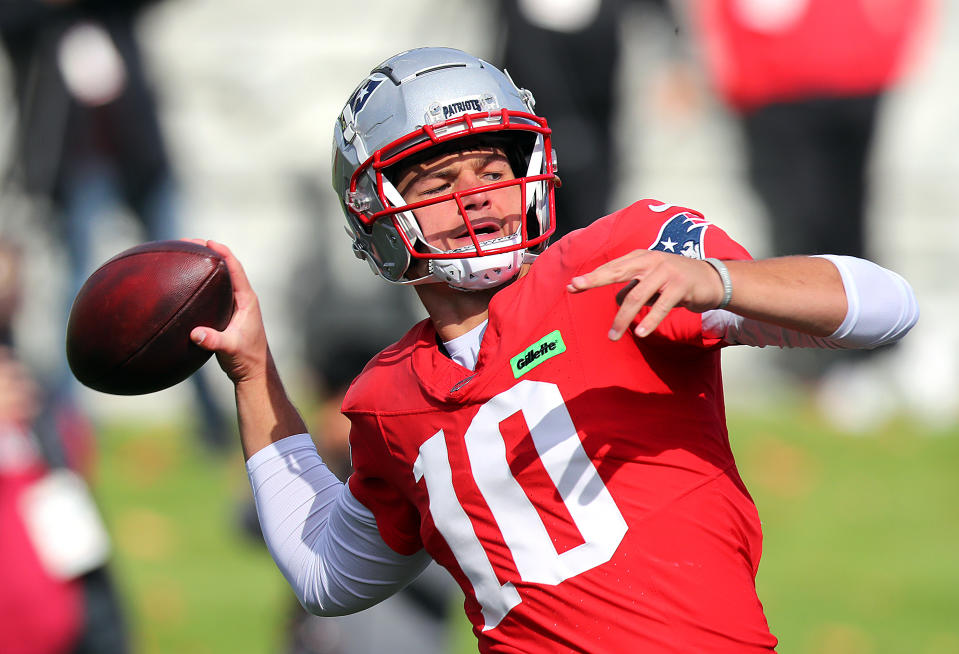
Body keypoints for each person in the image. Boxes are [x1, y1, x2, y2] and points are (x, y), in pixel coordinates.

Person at [189, 48, 918, 652]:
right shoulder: (388, 398)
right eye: (439, 181)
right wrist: (253, 372)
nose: (475, 196)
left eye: (493, 171)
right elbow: (328, 574)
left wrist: (722, 281)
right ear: (375, 212)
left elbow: (885, 307)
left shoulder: (616, 262)